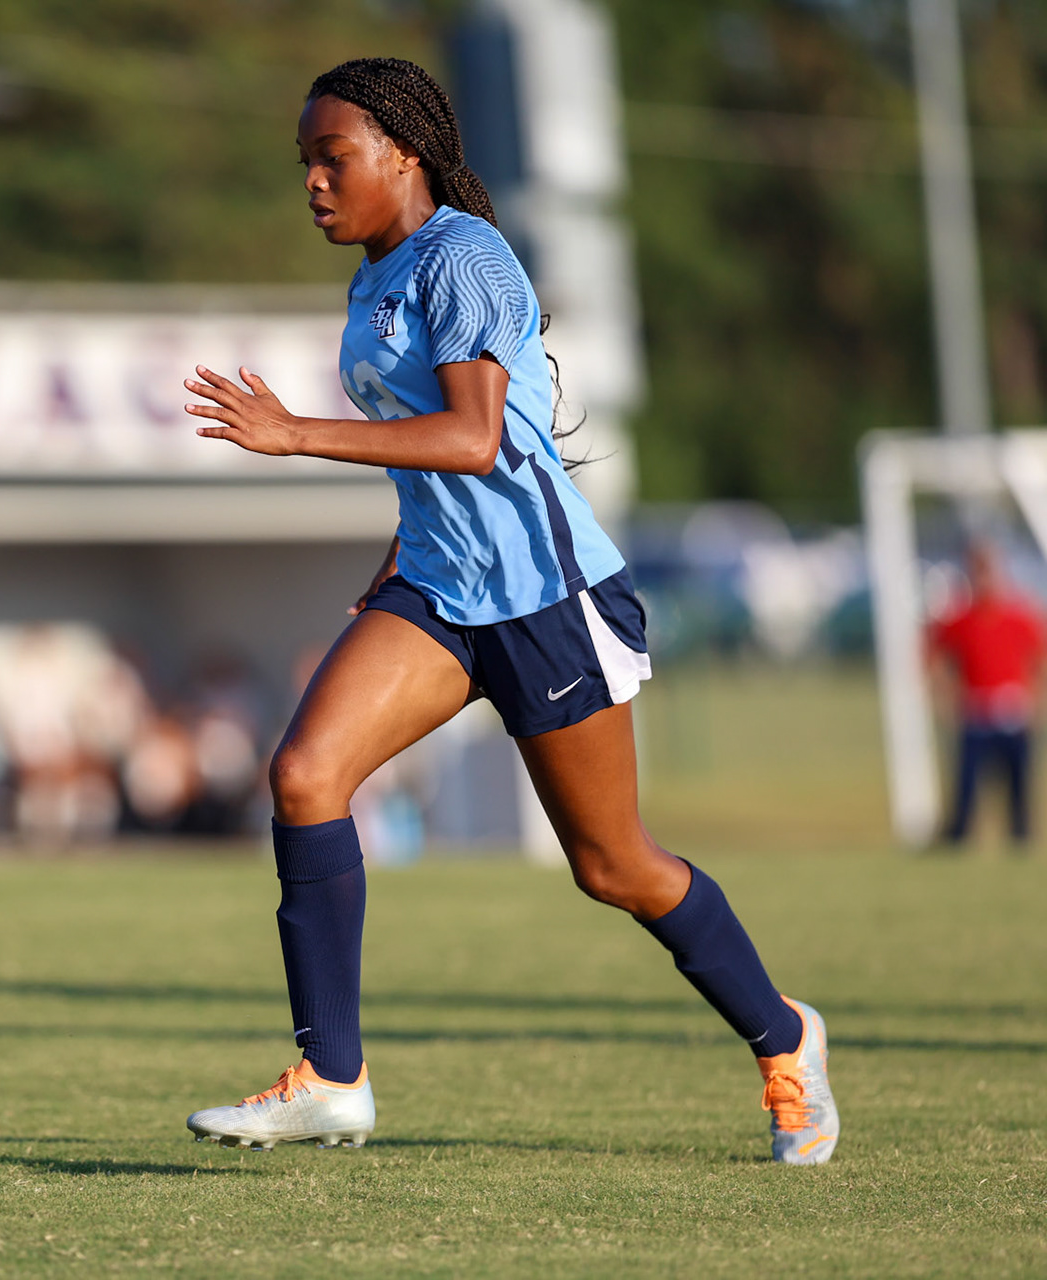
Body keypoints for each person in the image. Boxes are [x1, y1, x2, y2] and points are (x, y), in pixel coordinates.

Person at [177, 59, 836, 1164]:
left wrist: (296, 433)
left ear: (406, 154)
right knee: (304, 776)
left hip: (546, 600)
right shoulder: (376, 279)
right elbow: (435, 463)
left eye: (332, 158)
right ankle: (333, 1076)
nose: (313, 184)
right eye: (305, 163)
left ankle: (784, 1037)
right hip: (438, 592)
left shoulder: (467, 258)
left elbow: (474, 438)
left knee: (612, 866)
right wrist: (399, 557)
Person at [930, 541, 1045, 849]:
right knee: (967, 785)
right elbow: (935, 656)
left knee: (1019, 787)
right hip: (977, 711)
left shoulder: (1019, 614)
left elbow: (1039, 658)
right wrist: (945, 696)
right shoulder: (961, 618)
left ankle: (1020, 839)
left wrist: (1036, 701)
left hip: (1011, 711)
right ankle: (958, 838)